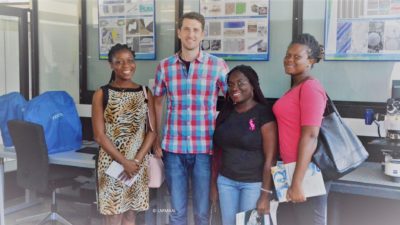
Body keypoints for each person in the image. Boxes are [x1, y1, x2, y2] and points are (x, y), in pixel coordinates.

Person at [152, 11, 229, 225]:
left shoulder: (217, 65)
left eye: (196, 30)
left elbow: (233, 100)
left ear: (202, 34)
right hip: (173, 149)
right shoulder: (164, 66)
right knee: (176, 212)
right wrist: (156, 138)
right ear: (178, 32)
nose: (191, 34)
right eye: (186, 29)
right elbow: (157, 102)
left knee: (202, 213)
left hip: (205, 148)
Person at [92, 43, 156, 225]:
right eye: (119, 62)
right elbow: (99, 135)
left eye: (130, 61)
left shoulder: (144, 92)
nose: (126, 66)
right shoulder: (101, 93)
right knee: (113, 215)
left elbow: (152, 131)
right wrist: (124, 162)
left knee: (131, 214)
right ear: (110, 65)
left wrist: (135, 162)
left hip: (137, 165)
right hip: (112, 165)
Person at [272, 33, 330, 225]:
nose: (289, 59)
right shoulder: (296, 87)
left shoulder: (311, 88)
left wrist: (297, 182)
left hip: (306, 174)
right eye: (288, 55)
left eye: (297, 57)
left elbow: (311, 136)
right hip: (290, 171)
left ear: (310, 61)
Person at [211, 65, 278, 225]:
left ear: (253, 85)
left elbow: (271, 158)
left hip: (253, 184)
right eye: (231, 84)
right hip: (226, 181)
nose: (235, 88)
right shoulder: (226, 113)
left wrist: (265, 194)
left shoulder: (263, 113)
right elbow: (217, 153)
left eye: (241, 83)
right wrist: (213, 184)